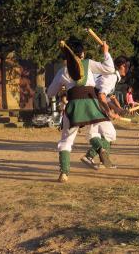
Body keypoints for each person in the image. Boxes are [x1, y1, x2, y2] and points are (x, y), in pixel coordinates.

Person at [47, 39, 115, 183]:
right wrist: (106, 52)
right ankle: (100, 149)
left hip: (74, 107)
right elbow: (109, 69)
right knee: (92, 133)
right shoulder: (88, 63)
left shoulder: (62, 71)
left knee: (66, 139)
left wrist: (61, 90)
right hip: (91, 104)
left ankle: (64, 173)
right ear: (82, 53)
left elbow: (50, 93)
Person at [80, 55, 130, 170]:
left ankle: (97, 159)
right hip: (92, 106)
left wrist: (117, 109)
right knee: (95, 134)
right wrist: (109, 112)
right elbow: (101, 96)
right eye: (127, 66)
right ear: (122, 66)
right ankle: (91, 157)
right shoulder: (112, 77)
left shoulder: (112, 76)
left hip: (94, 105)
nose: (127, 69)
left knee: (109, 133)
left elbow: (104, 96)